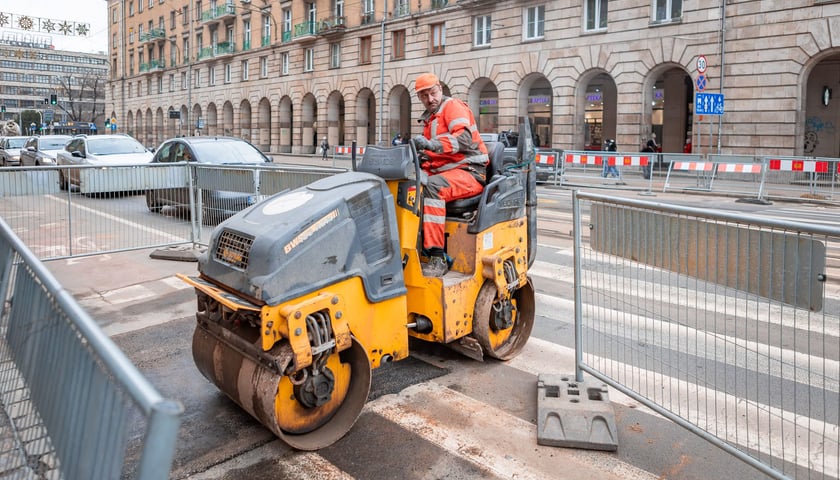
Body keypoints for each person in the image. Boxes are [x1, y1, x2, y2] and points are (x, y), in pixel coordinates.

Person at [411, 72, 489, 277]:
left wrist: (431, 145)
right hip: (451, 173)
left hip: (470, 173)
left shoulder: (453, 107)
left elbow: (463, 139)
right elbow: (437, 158)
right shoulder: (429, 121)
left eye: (433, 93)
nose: (430, 99)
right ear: (419, 98)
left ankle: (437, 257)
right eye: (425, 96)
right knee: (409, 186)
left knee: (432, 188)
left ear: (440, 88)